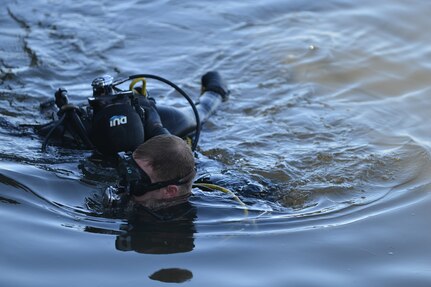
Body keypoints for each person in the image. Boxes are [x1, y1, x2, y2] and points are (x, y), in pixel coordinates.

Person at [37, 71, 229, 211]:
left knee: (200, 114)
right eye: (126, 168)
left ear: (170, 191)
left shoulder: (215, 190)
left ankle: (216, 91)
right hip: (112, 127)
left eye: (136, 181)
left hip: (152, 123)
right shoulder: (80, 134)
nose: (124, 186)